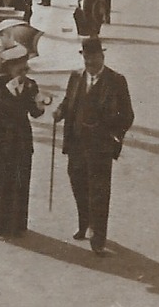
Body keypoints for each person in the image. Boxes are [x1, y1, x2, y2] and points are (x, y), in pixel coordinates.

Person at [53, 38, 135, 256]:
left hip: (100, 147)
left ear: (102, 56)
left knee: (99, 192)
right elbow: (68, 101)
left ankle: (98, 238)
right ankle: (84, 224)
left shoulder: (116, 81)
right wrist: (60, 112)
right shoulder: (76, 76)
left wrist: (111, 133)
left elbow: (127, 116)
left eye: (93, 57)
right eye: (86, 57)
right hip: (76, 144)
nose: (89, 61)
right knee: (78, 185)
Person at [0, 46, 49, 239]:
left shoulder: (31, 85)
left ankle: (17, 223)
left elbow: (35, 113)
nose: (23, 71)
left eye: (25, 67)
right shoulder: (0, 83)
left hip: (20, 137)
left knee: (19, 179)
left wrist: (40, 105)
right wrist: (8, 99)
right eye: (19, 67)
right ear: (9, 67)